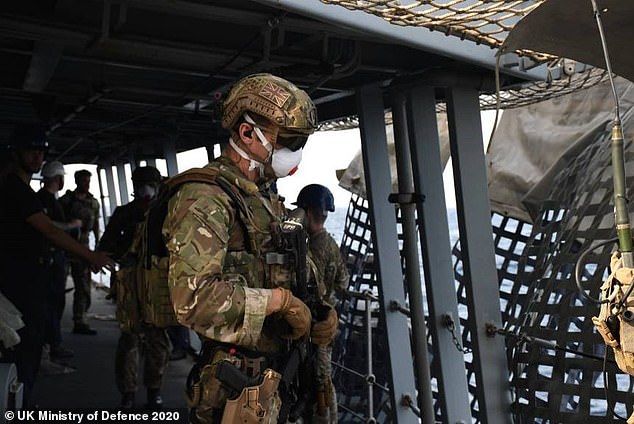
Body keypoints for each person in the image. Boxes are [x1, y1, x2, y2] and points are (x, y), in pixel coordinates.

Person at [162, 73, 338, 423]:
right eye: (288, 139)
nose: (296, 151)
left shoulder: (264, 199)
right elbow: (193, 298)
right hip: (236, 389)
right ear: (246, 133)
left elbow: (286, 265)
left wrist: (321, 311)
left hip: (279, 378)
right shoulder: (204, 198)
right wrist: (280, 303)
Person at [0, 124, 113, 406]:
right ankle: (19, 402)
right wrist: (90, 256)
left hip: (26, 274)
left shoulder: (20, 188)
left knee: (29, 339)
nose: (37, 156)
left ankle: (20, 397)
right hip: (20, 278)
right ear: (15, 153)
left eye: (41, 151)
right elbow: (49, 230)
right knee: (26, 342)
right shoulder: (16, 189)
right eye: (31, 150)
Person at [97, 165, 170, 409]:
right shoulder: (124, 213)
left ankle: (153, 391)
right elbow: (106, 243)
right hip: (130, 281)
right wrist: (121, 255)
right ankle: (128, 393)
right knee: (130, 339)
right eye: (142, 185)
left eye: (150, 184)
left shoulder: (165, 213)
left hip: (157, 283)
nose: (146, 190)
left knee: (157, 340)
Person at [293, 184, 349, 423]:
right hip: (323, 323)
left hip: (312, 326)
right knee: (322, 382)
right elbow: (343, 282)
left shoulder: (308, 248)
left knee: (318, 384)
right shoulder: (330, 245)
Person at [37, 160, 81, 361]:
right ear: (58, 178)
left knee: (55, 301)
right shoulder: (44, 200)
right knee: (53, 302)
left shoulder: (50, 199)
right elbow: (48, 227)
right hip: (51, 258)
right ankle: (52, 344)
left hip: (55, 256)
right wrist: (71, 225)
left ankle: (50, 343)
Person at [59, 169, 101, 335]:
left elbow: (96, 224)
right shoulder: (66, 201)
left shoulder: (93, 203)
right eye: (83, 181)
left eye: (88, 181)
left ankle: (80, 320)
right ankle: (53, 321)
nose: (86, 184)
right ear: (76, 181)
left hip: (83, 248)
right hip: (64, 245)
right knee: (56, 286)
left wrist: (98, 245)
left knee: (83, 286)